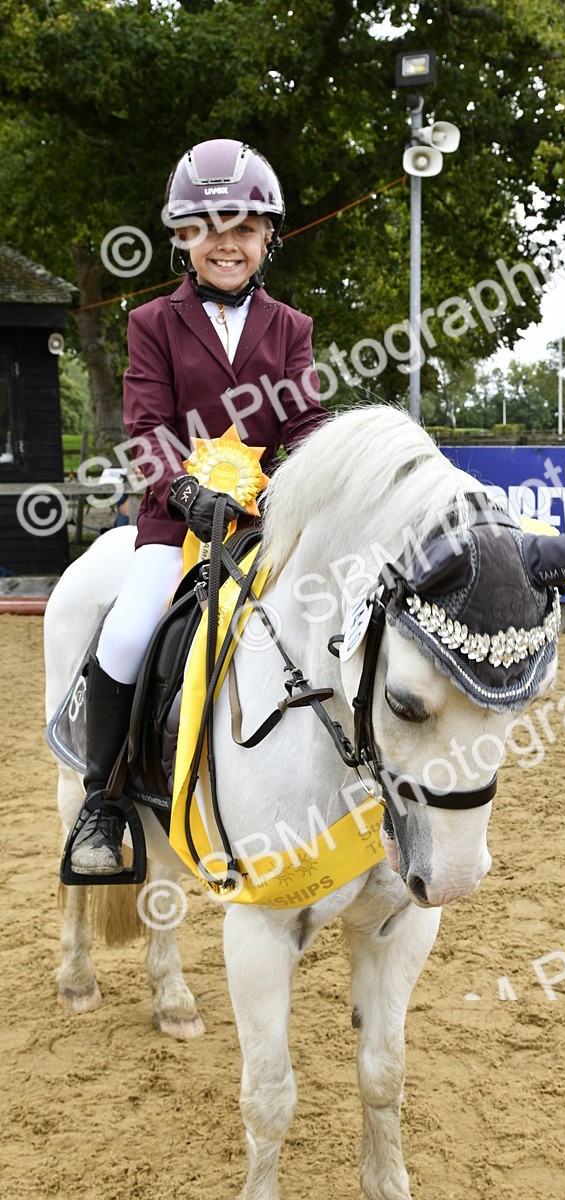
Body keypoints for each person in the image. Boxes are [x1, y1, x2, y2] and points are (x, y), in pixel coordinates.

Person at [67, 138, 330, 877]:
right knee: (124, 636)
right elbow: (145, 428)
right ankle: (103, 804)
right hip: (173, 525)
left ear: (267, 238)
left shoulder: (291, 329)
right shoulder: (152, 323)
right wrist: (185, 493)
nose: (228, 243)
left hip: (265, 525)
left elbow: (303, 424)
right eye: (209, 227)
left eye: (245, 228)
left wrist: (297, 479)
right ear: (184, 238)